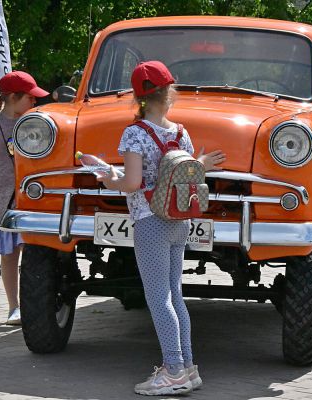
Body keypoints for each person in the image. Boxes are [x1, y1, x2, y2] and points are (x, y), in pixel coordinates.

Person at [97, 61, 225, 395]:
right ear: (169, 92)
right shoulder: (180, 132)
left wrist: (109, 179)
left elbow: (132, 182)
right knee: (175, 296)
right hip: (179, 220)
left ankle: (172, 371)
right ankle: (189, 368)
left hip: (149, 222)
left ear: (138, 97)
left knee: (158, 299)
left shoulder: (134, 133)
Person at [0, 71, 49, 325]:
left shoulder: (38, 122)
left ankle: (36, 308)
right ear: (14, 97)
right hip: (3, 198)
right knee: (10, 254)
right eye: (30, 97)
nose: (34, 102)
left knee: (36, 253)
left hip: (33, 198)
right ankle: (13, 307)